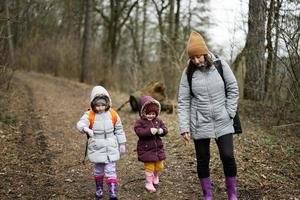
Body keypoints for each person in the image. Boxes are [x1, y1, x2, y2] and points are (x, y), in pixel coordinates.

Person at [177, 31, 239, 200]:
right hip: (200, 121)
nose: (196, 61)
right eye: (192, 58)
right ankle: (207, 195)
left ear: (205, 52)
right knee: (203, 159)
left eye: (199, 56)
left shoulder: (220, 65)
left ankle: (232, 194)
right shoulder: (188, 73)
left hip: (222, 119)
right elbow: (183, 101)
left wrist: (230, 112)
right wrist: (184, 127)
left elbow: (233, 89)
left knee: (228, 156)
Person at [76, 86, 126, 200]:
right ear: (93, 104)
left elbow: (119, 129)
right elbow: (80, 124)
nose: (100, 108)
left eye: (103, 105)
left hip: (110, 146)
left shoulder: (113, 114)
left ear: (107, 103)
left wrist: (122, 143)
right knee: (98, 169)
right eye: (98, 105)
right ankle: (99, 188)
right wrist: (85, 129)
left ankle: (112, 191)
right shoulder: (89, 115)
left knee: (111, 170)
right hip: (96, 146)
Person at [133, 95, 168, 193]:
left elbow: (165, 129)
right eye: (148, 114)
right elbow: (138, 131)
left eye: (153, 114)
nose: (151, 116)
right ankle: (148, 183)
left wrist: (162, 131)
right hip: (146, 148)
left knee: (160, 165)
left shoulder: (158, 121)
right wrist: (149, 131)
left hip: (158, 148)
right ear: (143, 112)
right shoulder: (140, 122)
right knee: (150, 166)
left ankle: (155, 176)